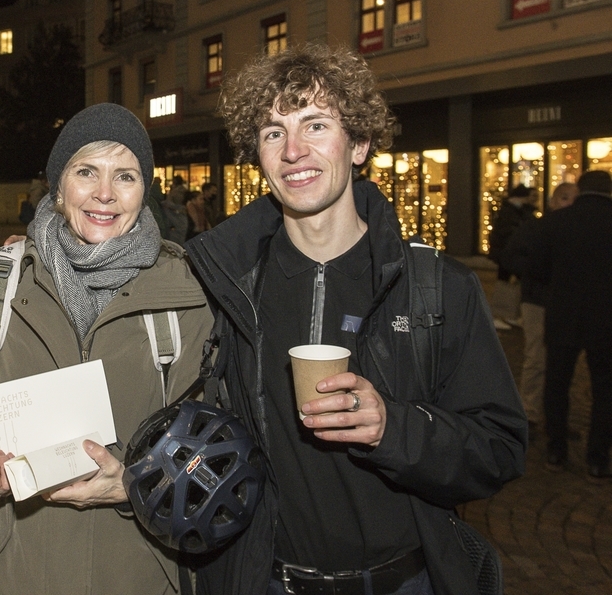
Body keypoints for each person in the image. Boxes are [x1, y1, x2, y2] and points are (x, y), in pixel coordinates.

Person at [184, 44, 527, 595]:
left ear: (360, 143)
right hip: (268, 580)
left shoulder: (437, 286)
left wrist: (394, 427)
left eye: (315, 125)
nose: (294, 150)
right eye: (273, 133)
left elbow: (499, 449)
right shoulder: (224, 281)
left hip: (401, 582)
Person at [0, 102, 213, 595]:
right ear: (59, 186)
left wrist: (132, 484)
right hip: (15, 569)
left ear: (143, 191)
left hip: (139, 570)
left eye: (125, 176)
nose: (104, 194)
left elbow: (209, 446)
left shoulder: (187, 293)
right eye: (86, 171)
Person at [530, 170, 612, 480]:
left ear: (580, 190)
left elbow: (537, 269)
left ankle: (556, 449)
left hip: (564, 314)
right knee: (604, 389)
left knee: (557, 384)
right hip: (606, 318)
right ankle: (598, 457)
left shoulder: (557, 221)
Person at [501, 181, 578, 435]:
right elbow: (511, 255)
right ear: (554, 201)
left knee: (561, 362)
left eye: (574, 199)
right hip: (537, 300)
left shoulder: (577, 229)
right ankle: (530, 413)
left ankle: (556, 419)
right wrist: (538, 275)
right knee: (536, 356)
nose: (570, 204)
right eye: (565, 198)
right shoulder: (537, 227)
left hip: (566, 303)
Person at [488, 183, 538, 329]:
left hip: (510, 254)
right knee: (507, 282)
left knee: (510, 282)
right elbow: (509, 234)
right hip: (509, 254)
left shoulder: (516, 211)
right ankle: (501, 315)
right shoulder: (511, 213)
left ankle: (509, 315)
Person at [162, 174, 189, 245]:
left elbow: (171, 202)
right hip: (181, 214)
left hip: (175, 214)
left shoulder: (176, 191)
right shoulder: (184, 190)